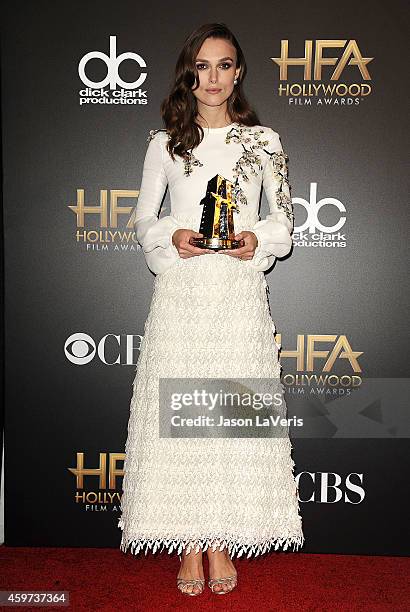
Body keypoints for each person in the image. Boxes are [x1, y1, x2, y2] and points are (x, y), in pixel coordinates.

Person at [118, 22, 304, 596]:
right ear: (188, 74)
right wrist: (174, 234)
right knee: (182, 414)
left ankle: (220, 539)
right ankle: (190, 541)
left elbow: (284, 223)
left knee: (228, 415)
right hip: (183, 294)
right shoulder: (164, 143)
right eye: (203, 66)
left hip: (238, 294)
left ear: (239, 72)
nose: (214, 77)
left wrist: (256, 239)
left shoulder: (263, 142)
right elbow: (144, 220)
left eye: (224, 65)